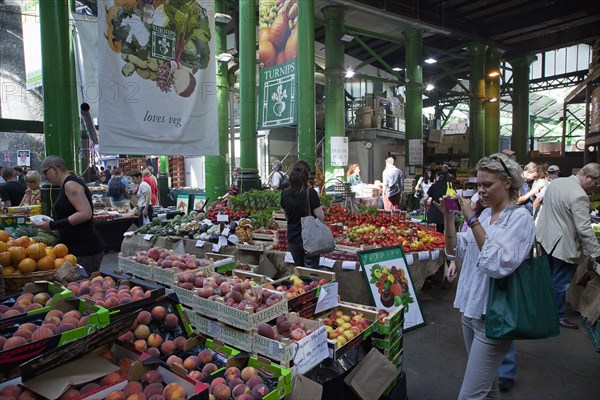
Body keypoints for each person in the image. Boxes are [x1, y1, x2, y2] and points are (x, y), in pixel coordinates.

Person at [433, 152, 535, 400]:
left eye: (487, 185)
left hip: (493, 317)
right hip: (470, 309)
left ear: (508, 183)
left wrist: (471, 218)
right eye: (478, 185)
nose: (481, 191)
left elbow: (496, 264)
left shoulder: (520, 219)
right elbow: (456, 251)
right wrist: (449, 219)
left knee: (469, 395)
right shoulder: (486, 216)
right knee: (488, 387)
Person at [536, 162, 600, 330]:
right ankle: (558, 315)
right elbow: (584, 228)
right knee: (560, 282)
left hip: (547, 239)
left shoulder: (557, 183)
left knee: (549, 278)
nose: (596, 187)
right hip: (563, 245)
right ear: (587, 177)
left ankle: (545, 309)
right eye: (596, 183)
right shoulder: (580, 196)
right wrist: (596, 252)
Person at [34, 156, 104, 276]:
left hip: (84, 249)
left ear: (55, 169)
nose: (45, 176)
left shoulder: (71, 185)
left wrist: (52, 225)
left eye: (45, 172)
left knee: (84, 288)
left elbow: (85, 213)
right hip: (76, 248)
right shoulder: (68, 184)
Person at [280, 160, 324, 268]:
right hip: (310, 239)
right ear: (307, 176)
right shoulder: (311, 193)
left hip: (293, 238)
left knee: (299, 271)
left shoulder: (285, 194)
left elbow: (287, 217)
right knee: (311, 274)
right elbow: (320, 217)